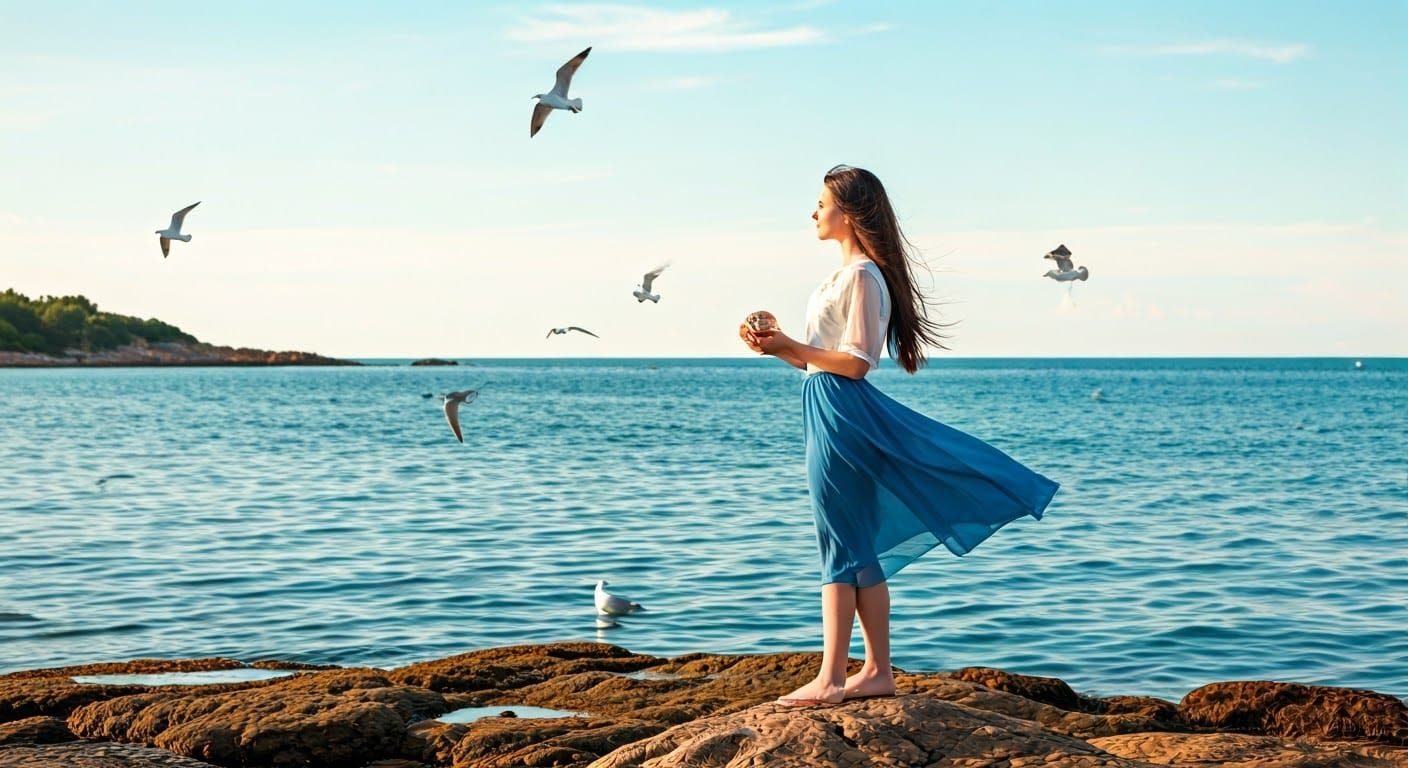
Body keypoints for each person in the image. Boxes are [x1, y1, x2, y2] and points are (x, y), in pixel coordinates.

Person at [740, 164, 1060, 706]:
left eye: (821, 202)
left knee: (838, 542)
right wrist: (777, 346)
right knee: (855, 543)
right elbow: (822, 363)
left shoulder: (863, 276)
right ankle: (877, 672)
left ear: (849, 210)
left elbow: (858, 362)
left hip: (842, 411)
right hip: (827, 402)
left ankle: (832, 679)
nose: (813, 212)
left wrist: (795, 344)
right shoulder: (844, 277)